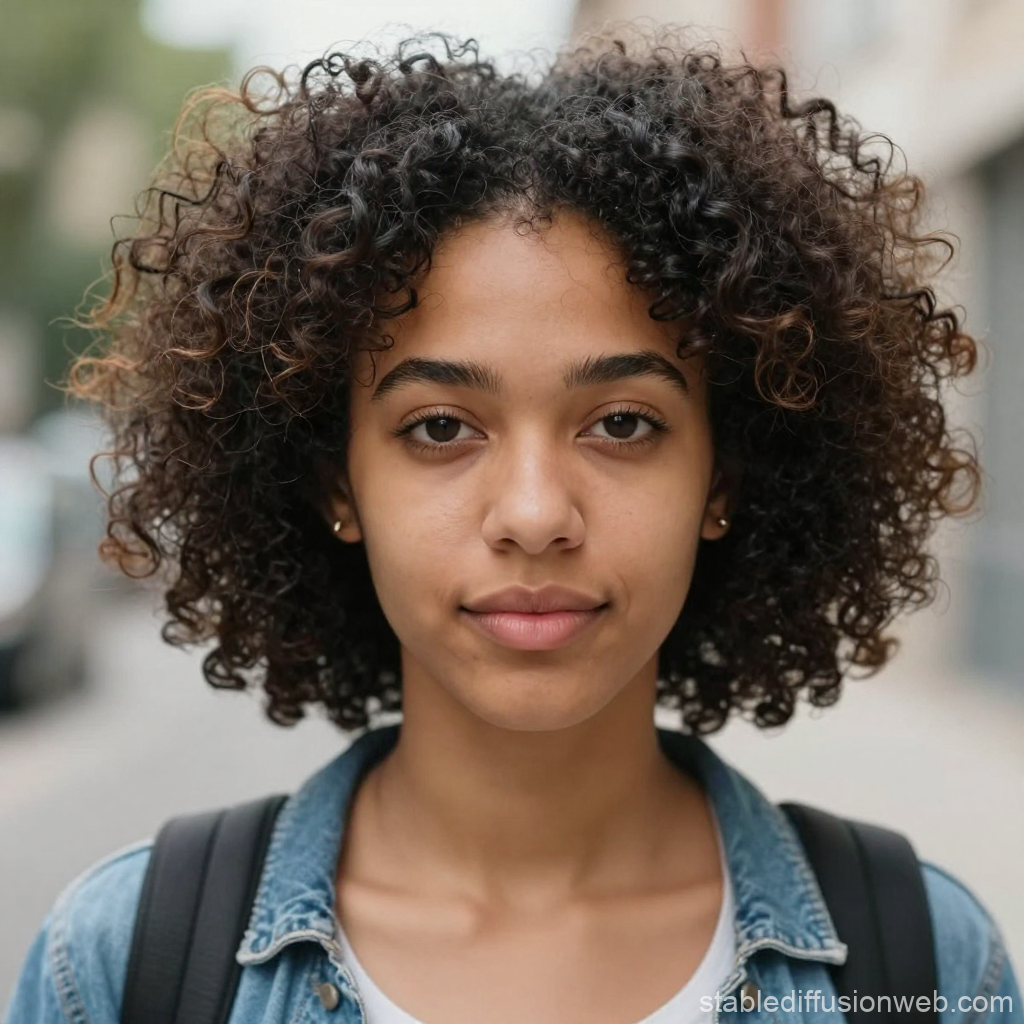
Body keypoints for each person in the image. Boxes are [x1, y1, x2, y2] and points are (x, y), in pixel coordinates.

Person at [6, 28, 1021, 1024]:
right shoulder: (118, 964)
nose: (535, 514)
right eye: (440, 426)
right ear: (336, 484)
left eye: (623, 423)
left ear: (724, 473)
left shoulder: (924, 964)